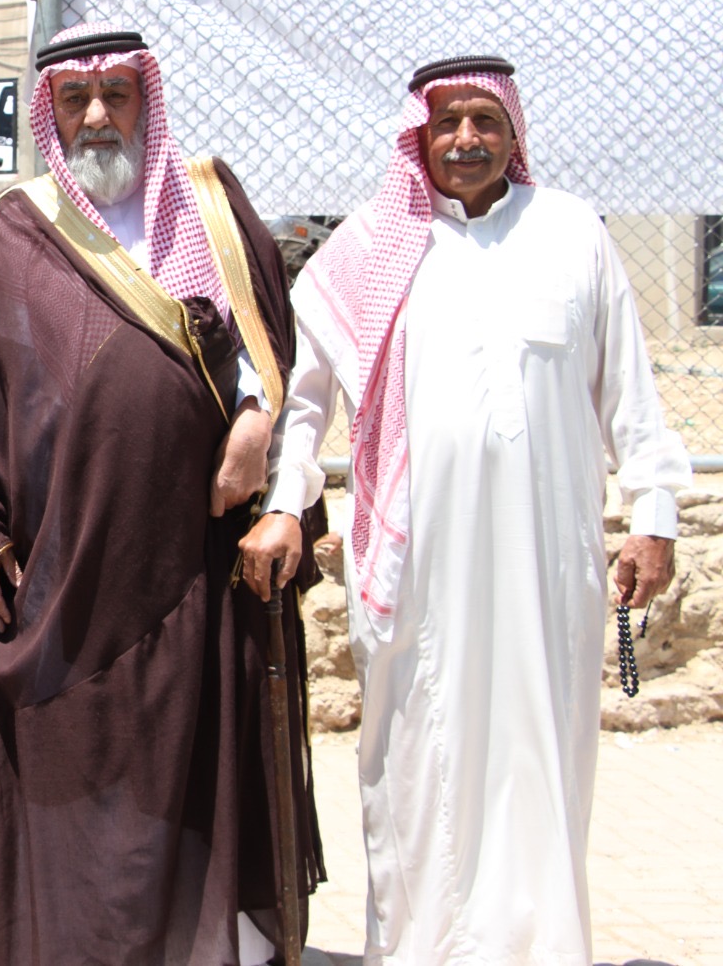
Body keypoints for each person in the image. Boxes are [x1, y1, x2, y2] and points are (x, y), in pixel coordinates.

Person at [240, 55, 692, 964]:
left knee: (543, 754)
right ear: (419, 134)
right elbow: (304, 400)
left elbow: (628, 391)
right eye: (445, 122)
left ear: (513, 130)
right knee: (420, 760)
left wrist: (654, 512)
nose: (464, 139)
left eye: (484, 120)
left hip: (548, 559)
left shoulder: (572, 233)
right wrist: (287, 503)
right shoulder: (370, 246)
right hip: (418, 569)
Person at [0, 23, 323, 965]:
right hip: (66, 566)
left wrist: (256, 422)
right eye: (75, 98)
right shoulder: (16, 226)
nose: (97, 115)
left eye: (117, 94)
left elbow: (272, 349)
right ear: (50, 112)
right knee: (78, 783)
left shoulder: (210, 207)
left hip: (196, 562)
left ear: (148, 99)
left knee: (196, 777)